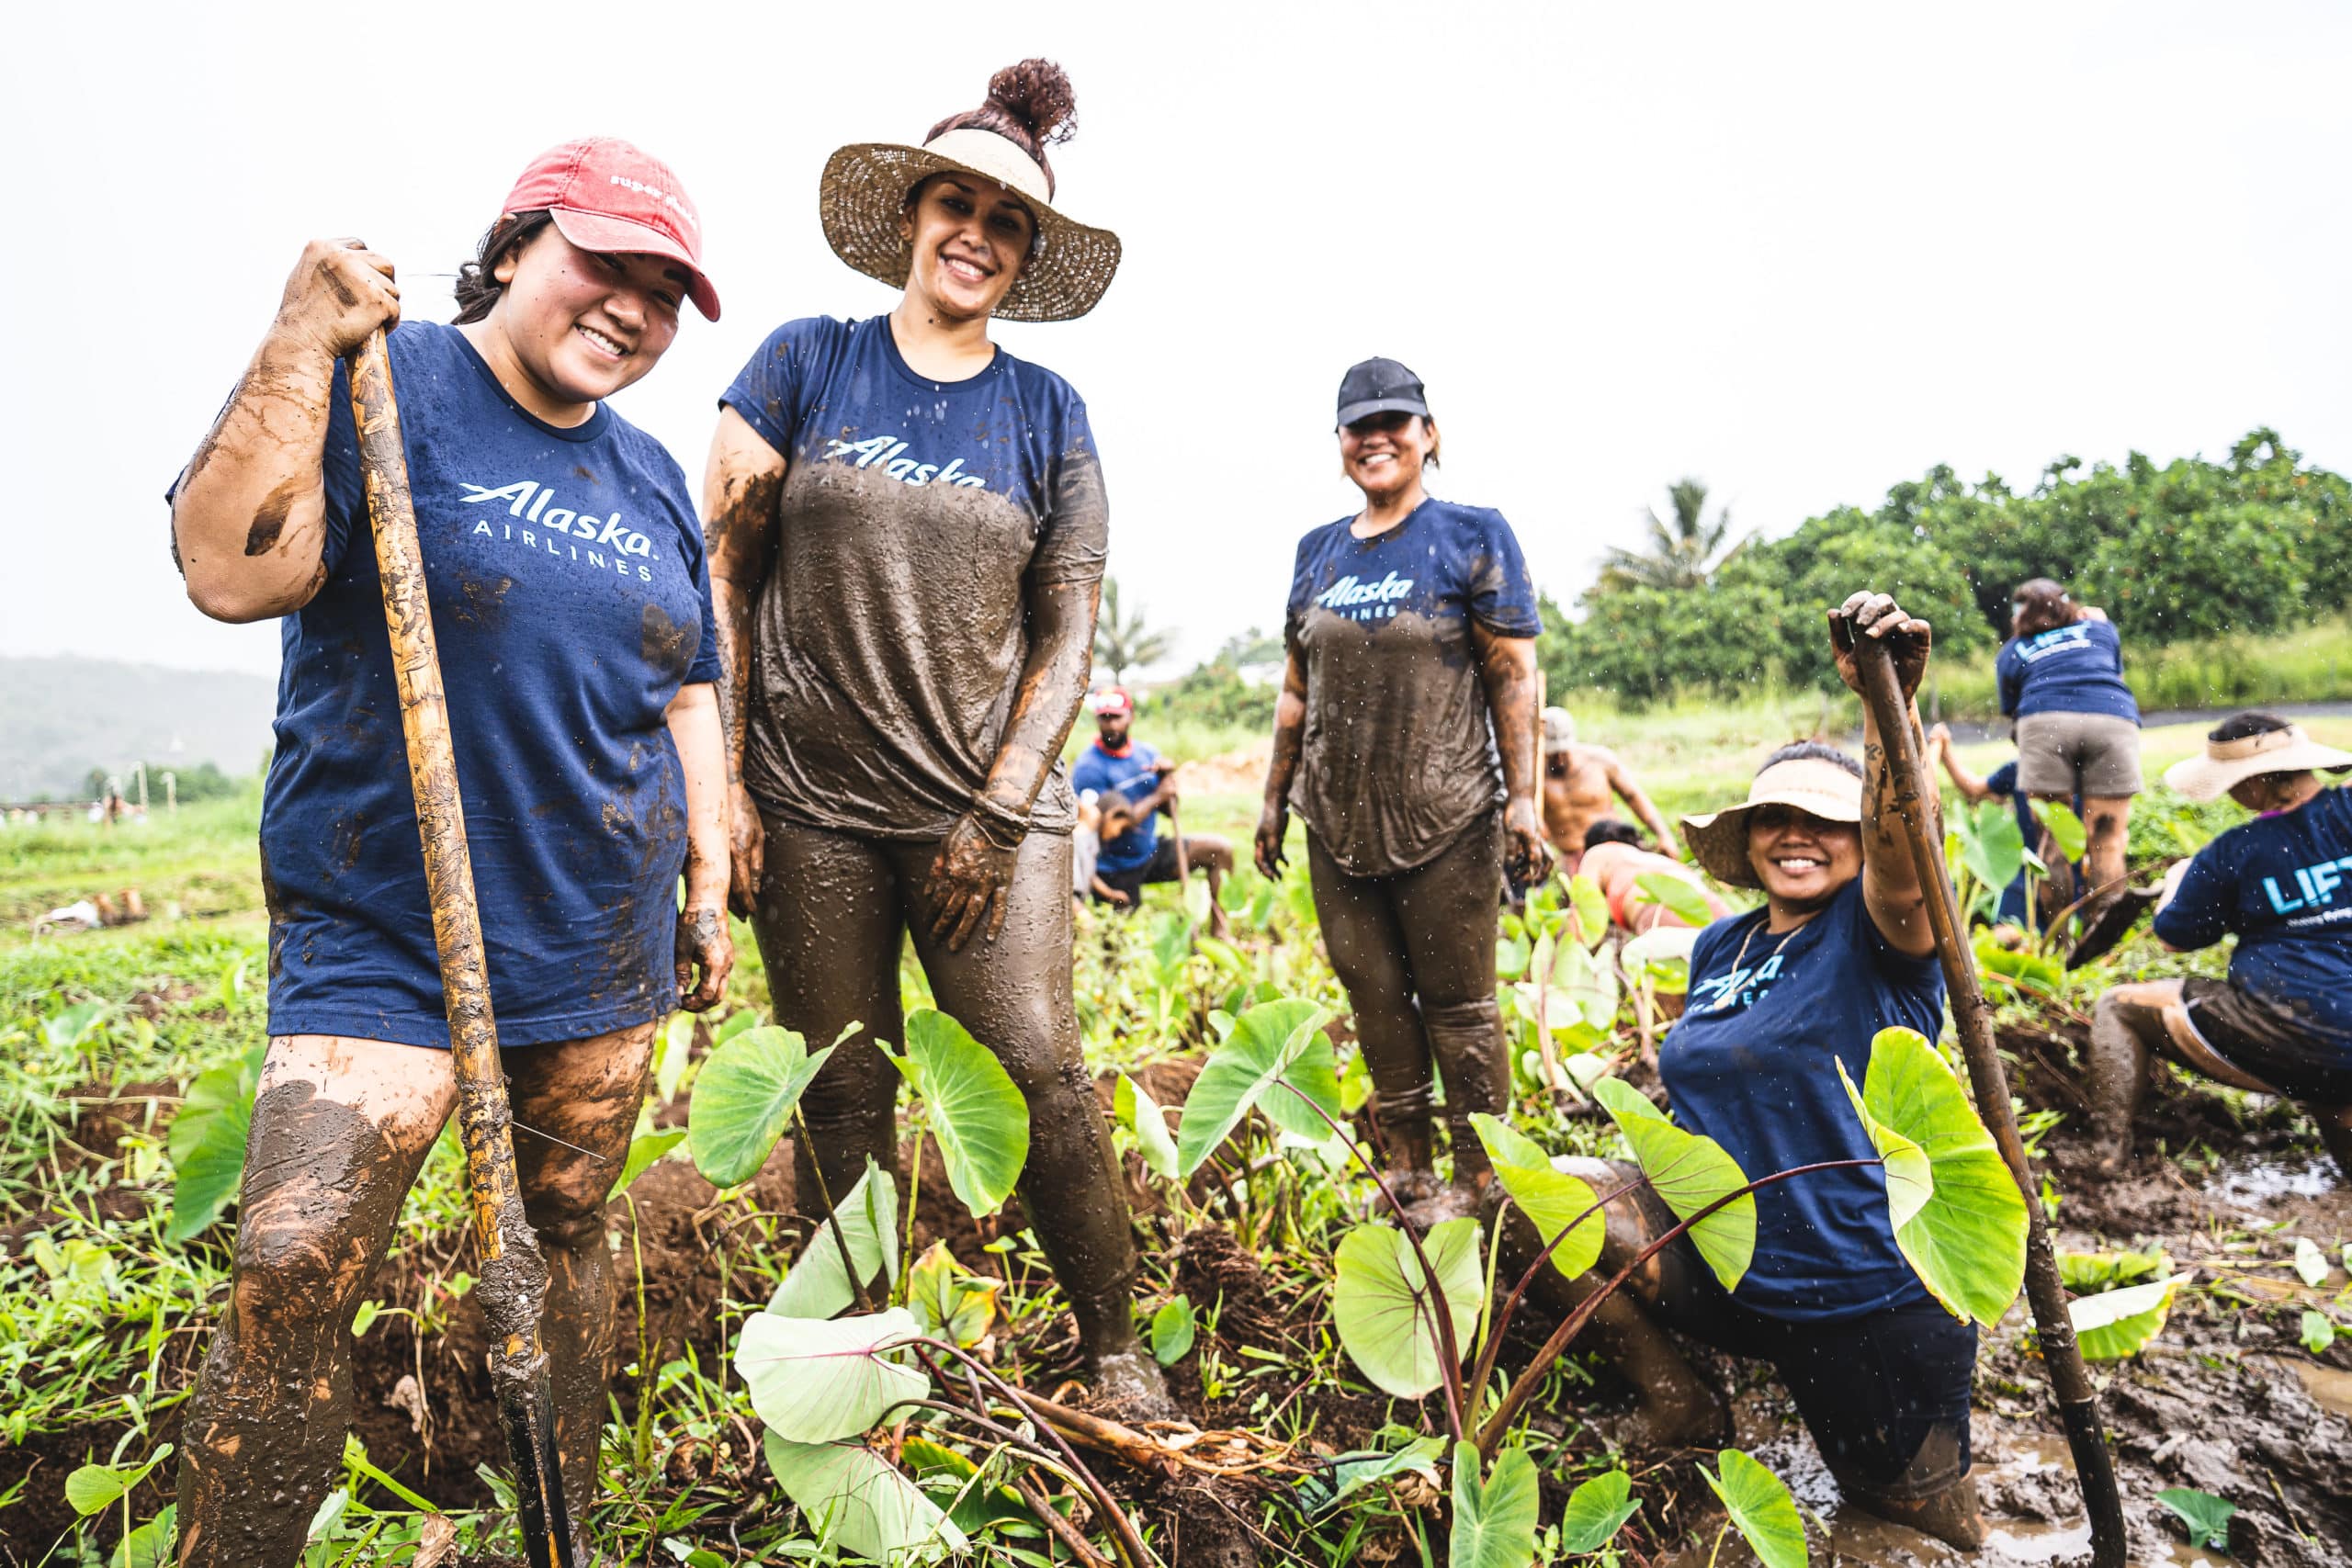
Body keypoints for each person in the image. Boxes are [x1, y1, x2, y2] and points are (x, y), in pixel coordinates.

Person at [165, 139, 730, 1562]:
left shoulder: (653, 474)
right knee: (292, 1264)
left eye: (666, 291)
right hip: (385, 920)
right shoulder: (384, 384)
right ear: (522, 241)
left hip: (597, 921)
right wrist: (300, 338)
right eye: (608, 264)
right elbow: (228, 567)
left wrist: (710, 868)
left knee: (571, 1221)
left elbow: (685, 686)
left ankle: (563, 1528)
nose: (633, 309)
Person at [702, 62, 1165, 1408]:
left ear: (1025, 258)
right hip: (812, 801)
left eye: (1005, 220)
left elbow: (1072, 621)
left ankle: (1115, 1344)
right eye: (953, 200)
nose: (974, 230)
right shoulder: (804, 360)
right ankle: (854, 1361)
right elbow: (722, 574)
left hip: (983, 807)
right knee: (842, 1088)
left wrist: (1000, 803)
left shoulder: (1047, 414)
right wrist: (727, 785)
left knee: (1034, 1061)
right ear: (911, 212)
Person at [1528, 592, 1984, 1550]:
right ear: (1748, 833)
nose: (1796, 835)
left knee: (1913, 1531)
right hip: (1735, 1273)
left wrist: (1883, 708)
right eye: (1775, 816)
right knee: (1555, 1196)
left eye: (1824, 820)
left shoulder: (1880, 931)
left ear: (1860, 839)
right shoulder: (1721, 948)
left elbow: (1908, 860)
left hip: (1864, 1298)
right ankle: (1682, 1406)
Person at [1256, 356, 1549, 1218]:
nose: (1375, 437)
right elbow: (1295, 690)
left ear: (1428, 435)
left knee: (1460, 1004)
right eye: (1358, 425)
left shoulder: (1472, 534)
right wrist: (1274, 797)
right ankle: (1410, 1170)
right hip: (1336, 819)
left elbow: (1515, 674)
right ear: (1340, 444)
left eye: (1394, 421)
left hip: (1448, 811)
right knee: (1374, 997)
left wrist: (1522, 800)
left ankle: (1480, 1176)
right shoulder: (1319, 551)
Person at [2083, 713, 2352, 1179]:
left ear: (2252, 785)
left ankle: (2105, 1156)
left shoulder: (2232, 854)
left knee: (2118, 1006)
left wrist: (2176, 883)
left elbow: (2172, 938)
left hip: (2299, 1035)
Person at [1996, 578, 2139, 916]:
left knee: (2053, 841)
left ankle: (2061, 947)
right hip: (2111, 717)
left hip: (2044, 720)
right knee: (2108, 839)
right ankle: (2101, 943)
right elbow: (2113, 672)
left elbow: (2012, 712)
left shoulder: (2011, 652)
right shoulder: (2099, 630)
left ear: (2018, 614)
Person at [1070, 686, 1235, 936]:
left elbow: (1170, 810)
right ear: (1097, 720)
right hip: (1114, 868)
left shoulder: (1147, 755)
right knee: (1117, 947)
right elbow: (1105, 827)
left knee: (1220, 850)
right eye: (1105, 718)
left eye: (1117, 717)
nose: (1111, 725)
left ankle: (1220, 932)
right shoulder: (1088, 768)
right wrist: (1157, 796)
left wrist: (1167, 783)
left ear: (1131, 717)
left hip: (1149, 852)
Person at [1928, 722, 2081, 939]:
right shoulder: (2017, 770)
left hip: (2066, 878)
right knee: (2005, 937)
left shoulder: (2075, 776)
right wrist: (1945, 751)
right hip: (2022, 874)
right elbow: (1973, 788)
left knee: (2063, 940)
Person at [1540, 706, 1682, 867]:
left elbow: (1633, 796)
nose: (1559, 759)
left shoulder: (1600, 761)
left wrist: (1664, 835)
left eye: (1563, 752)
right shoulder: (1534, 778)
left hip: (1612, 847)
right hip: (1571, 857)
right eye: (1552, 754)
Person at [1576, 818, 1729, 934]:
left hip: (1658, 910)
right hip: (1706, 901)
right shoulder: (1646, 857)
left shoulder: (1596, 853)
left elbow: (1583, 909)